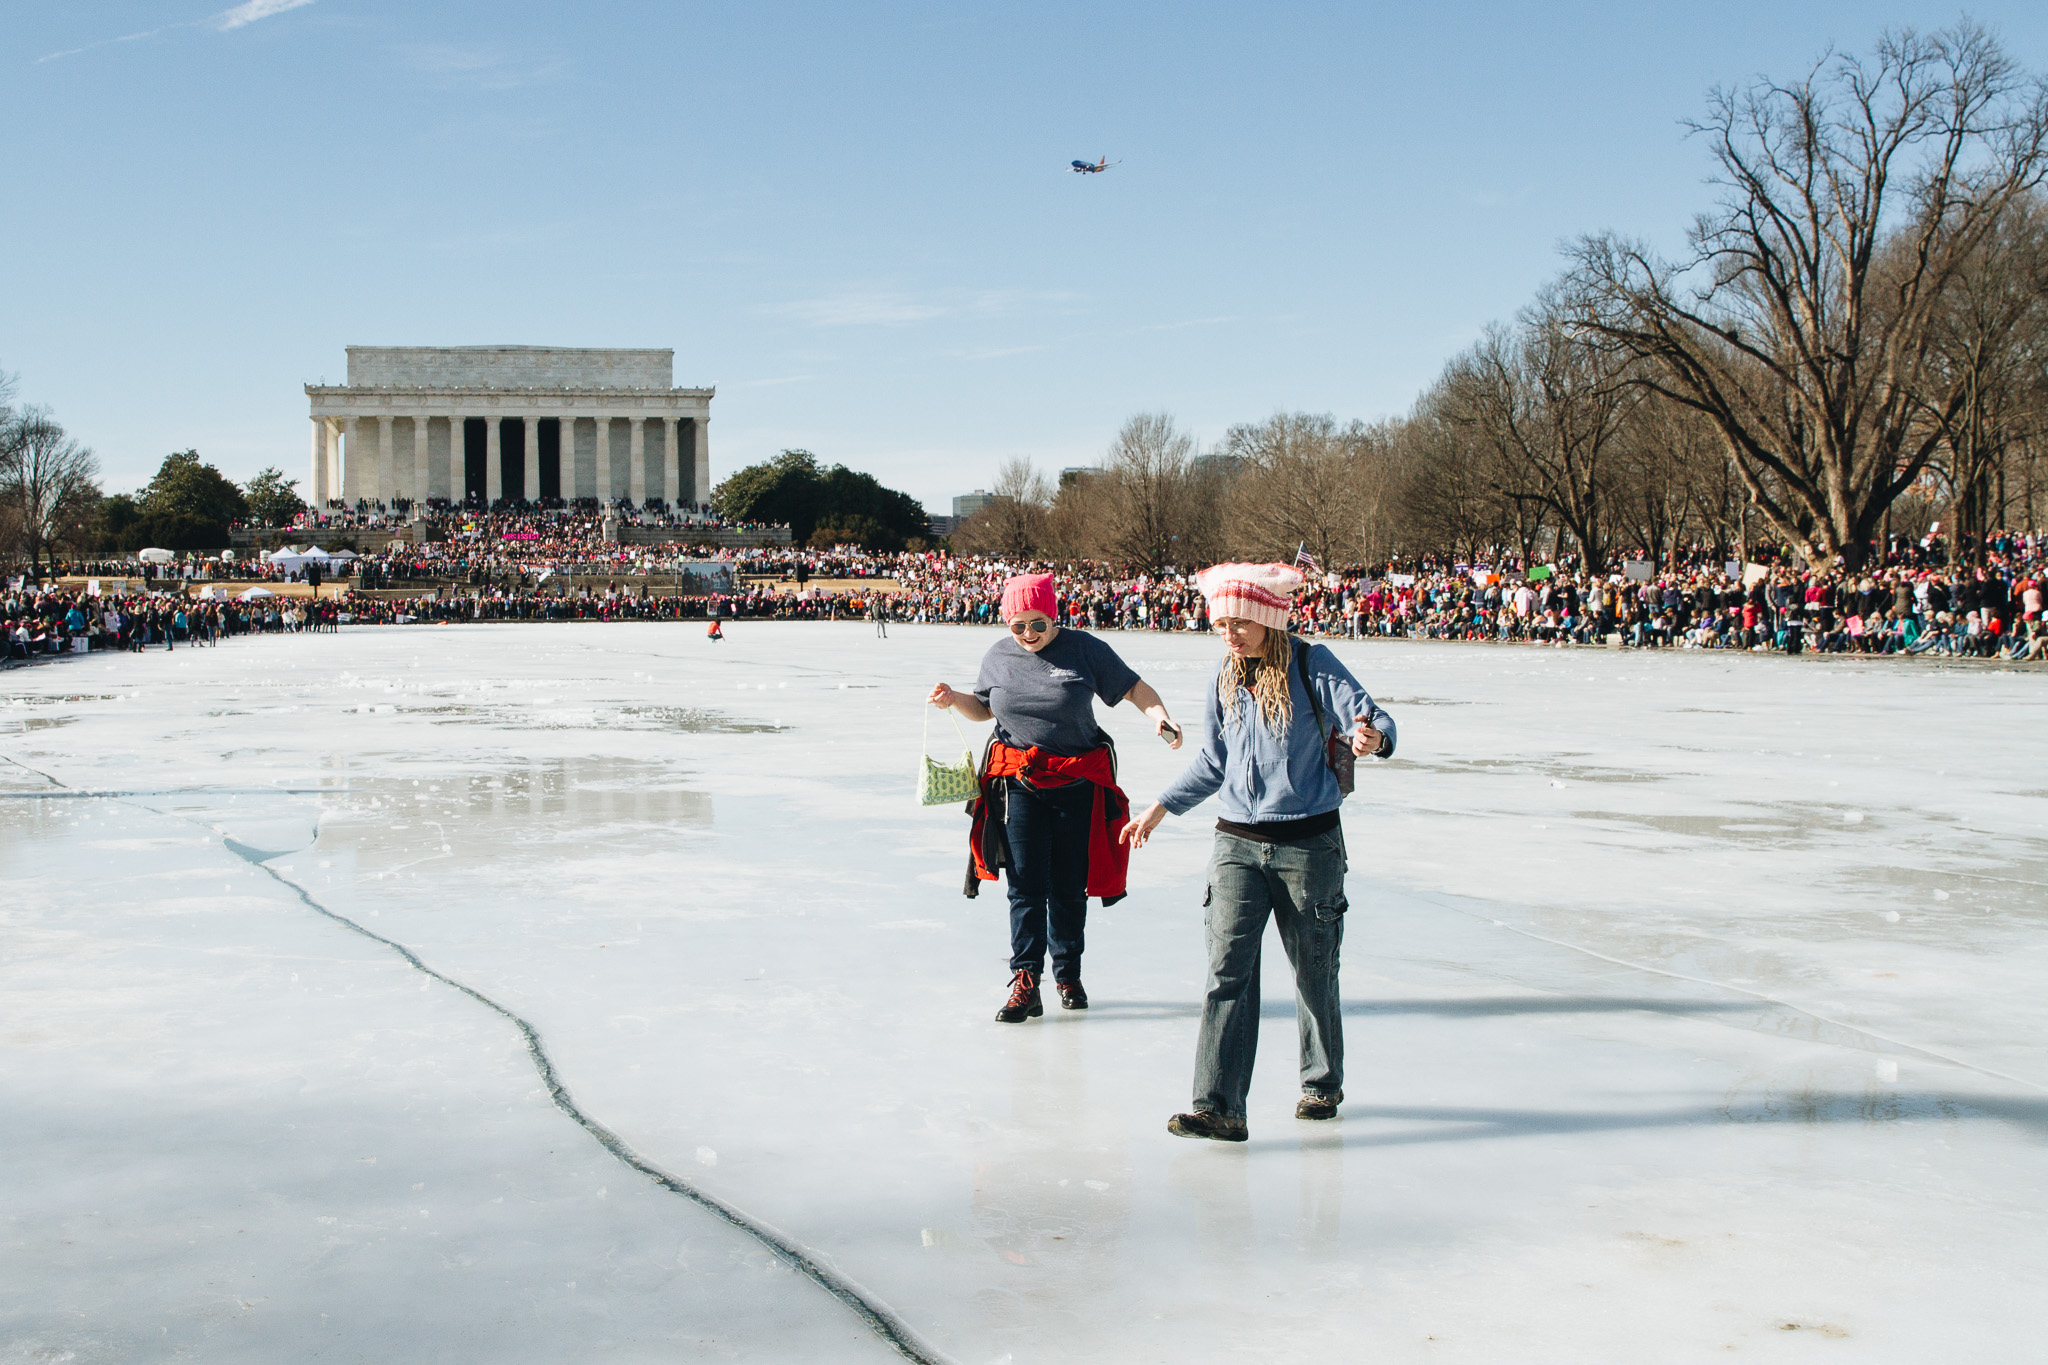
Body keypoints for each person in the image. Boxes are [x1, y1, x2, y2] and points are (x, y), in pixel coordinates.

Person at [1122, 562, 1396, 1143]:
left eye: (1242, 622)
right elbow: (1213, 762)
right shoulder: (1224, 675)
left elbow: (1369, 715)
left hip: (1308, 844)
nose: (1231, 633)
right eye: (1222, 623)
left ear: (1269, 619)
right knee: (1227, 972)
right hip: (1236, 845)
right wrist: (1160, 807)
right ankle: (1218, 1105)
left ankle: (1320, 1082)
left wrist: (1372, 735)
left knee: (1314, 972)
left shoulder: (1310, 663)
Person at [928, 572, 1180, 1022]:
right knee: (1025, 886)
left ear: (1055, 617)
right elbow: (984, 707)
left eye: (1038, 624)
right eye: (1017, 626)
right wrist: (954, 699)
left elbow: (1134, 688)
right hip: (1018, 784)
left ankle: (1068, 974)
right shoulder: (999, 655)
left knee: (1068, 886)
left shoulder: (1085, 649)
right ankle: (1026, 981)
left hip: (1077, 782)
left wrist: (1161, 718)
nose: (1028, 635)